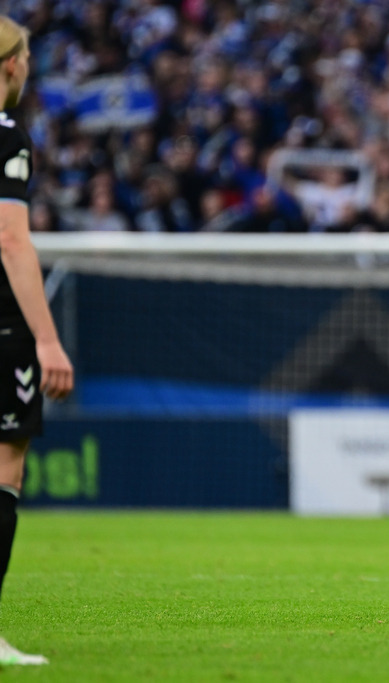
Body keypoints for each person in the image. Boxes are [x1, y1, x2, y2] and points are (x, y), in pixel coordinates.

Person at [0, 16, 74, 666]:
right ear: (10, 65)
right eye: (24, 57)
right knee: (4, 465)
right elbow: (11, 239)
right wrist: (46, 340)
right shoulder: (6, 136)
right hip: (0, 326)